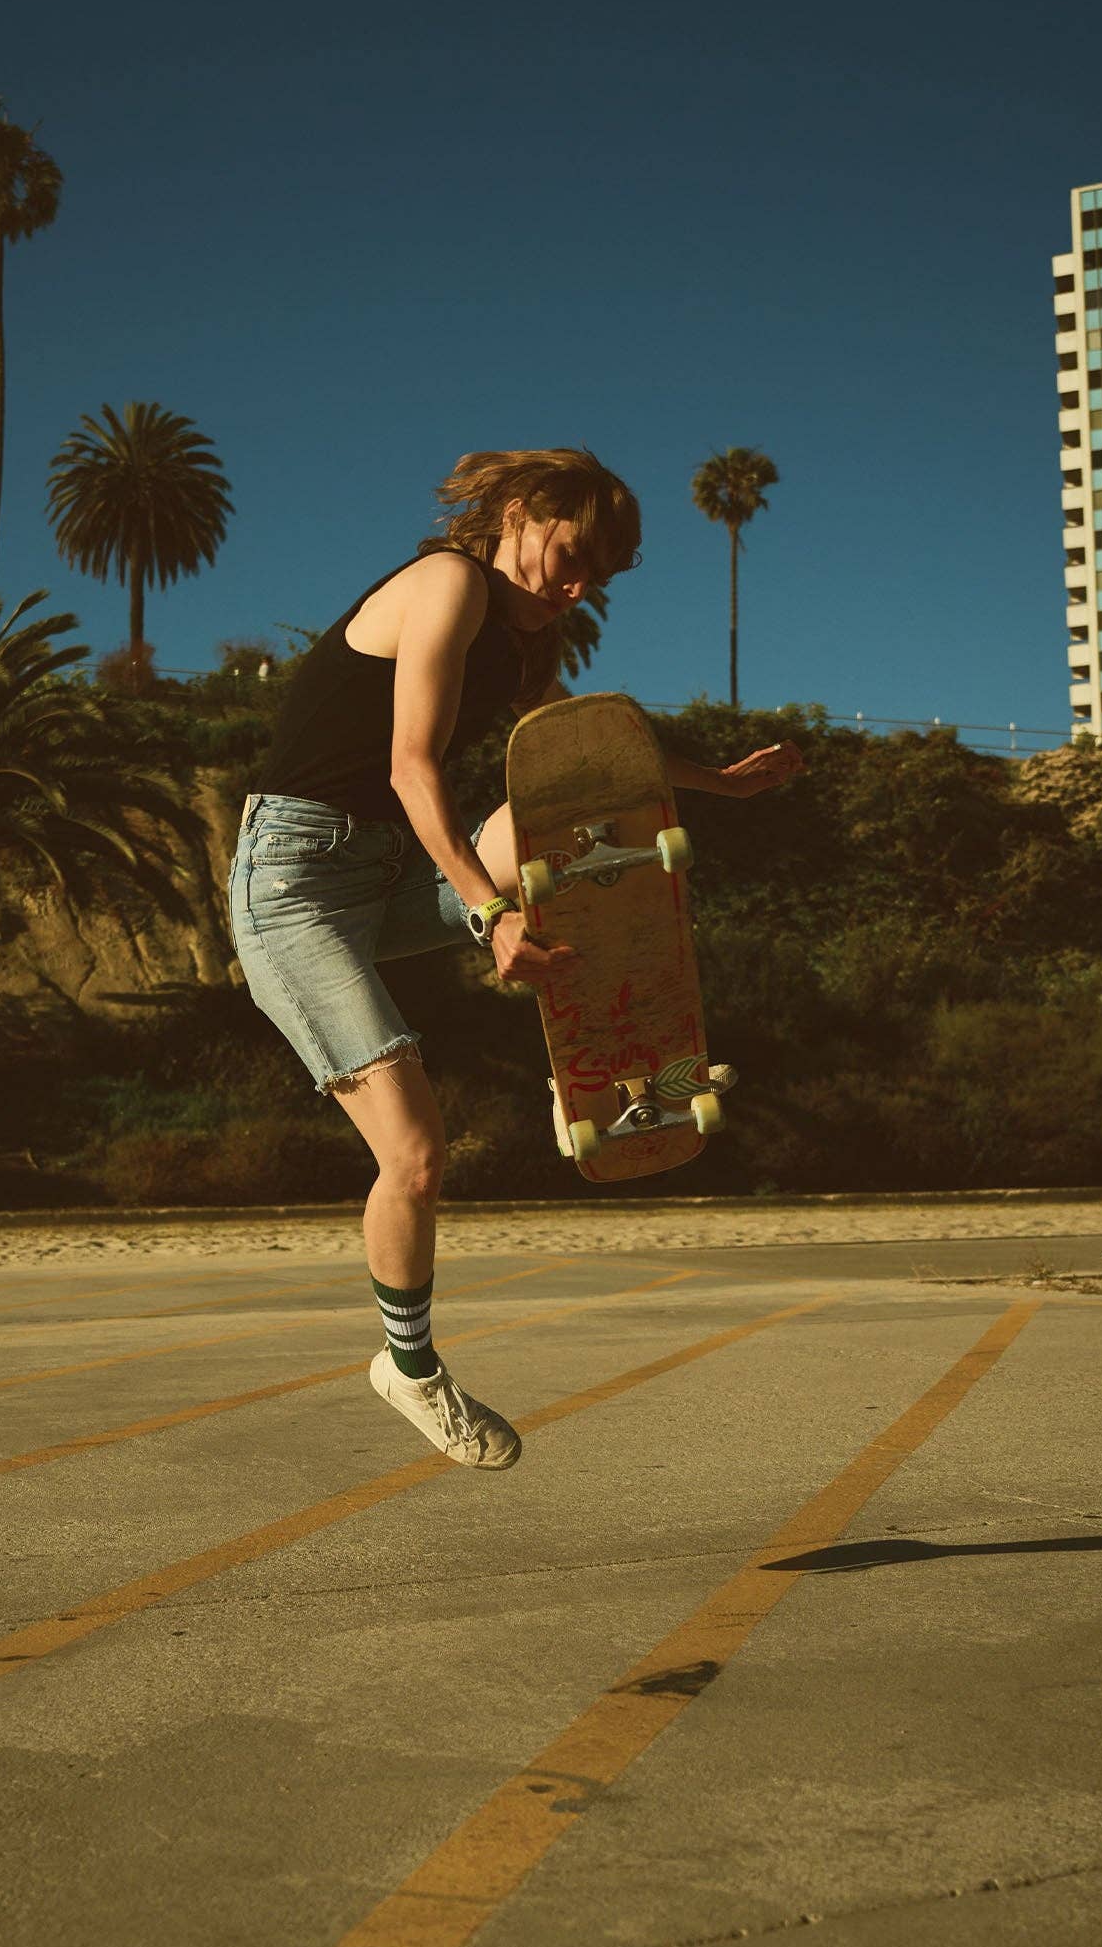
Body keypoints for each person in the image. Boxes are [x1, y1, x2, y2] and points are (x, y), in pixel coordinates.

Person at [228, 448, 804, 1470]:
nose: (575, 587)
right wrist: (492, 911)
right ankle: (408, 1368)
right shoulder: (446, 583)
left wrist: (717, 780)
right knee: (411, 1150)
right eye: (568, 555)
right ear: (516, 512)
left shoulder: (524, 651)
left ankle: (582, 1050)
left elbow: (589, 770)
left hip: (382, 875)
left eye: (599, 580)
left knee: (549, 812)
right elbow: (410, 767)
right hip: (291, 887)